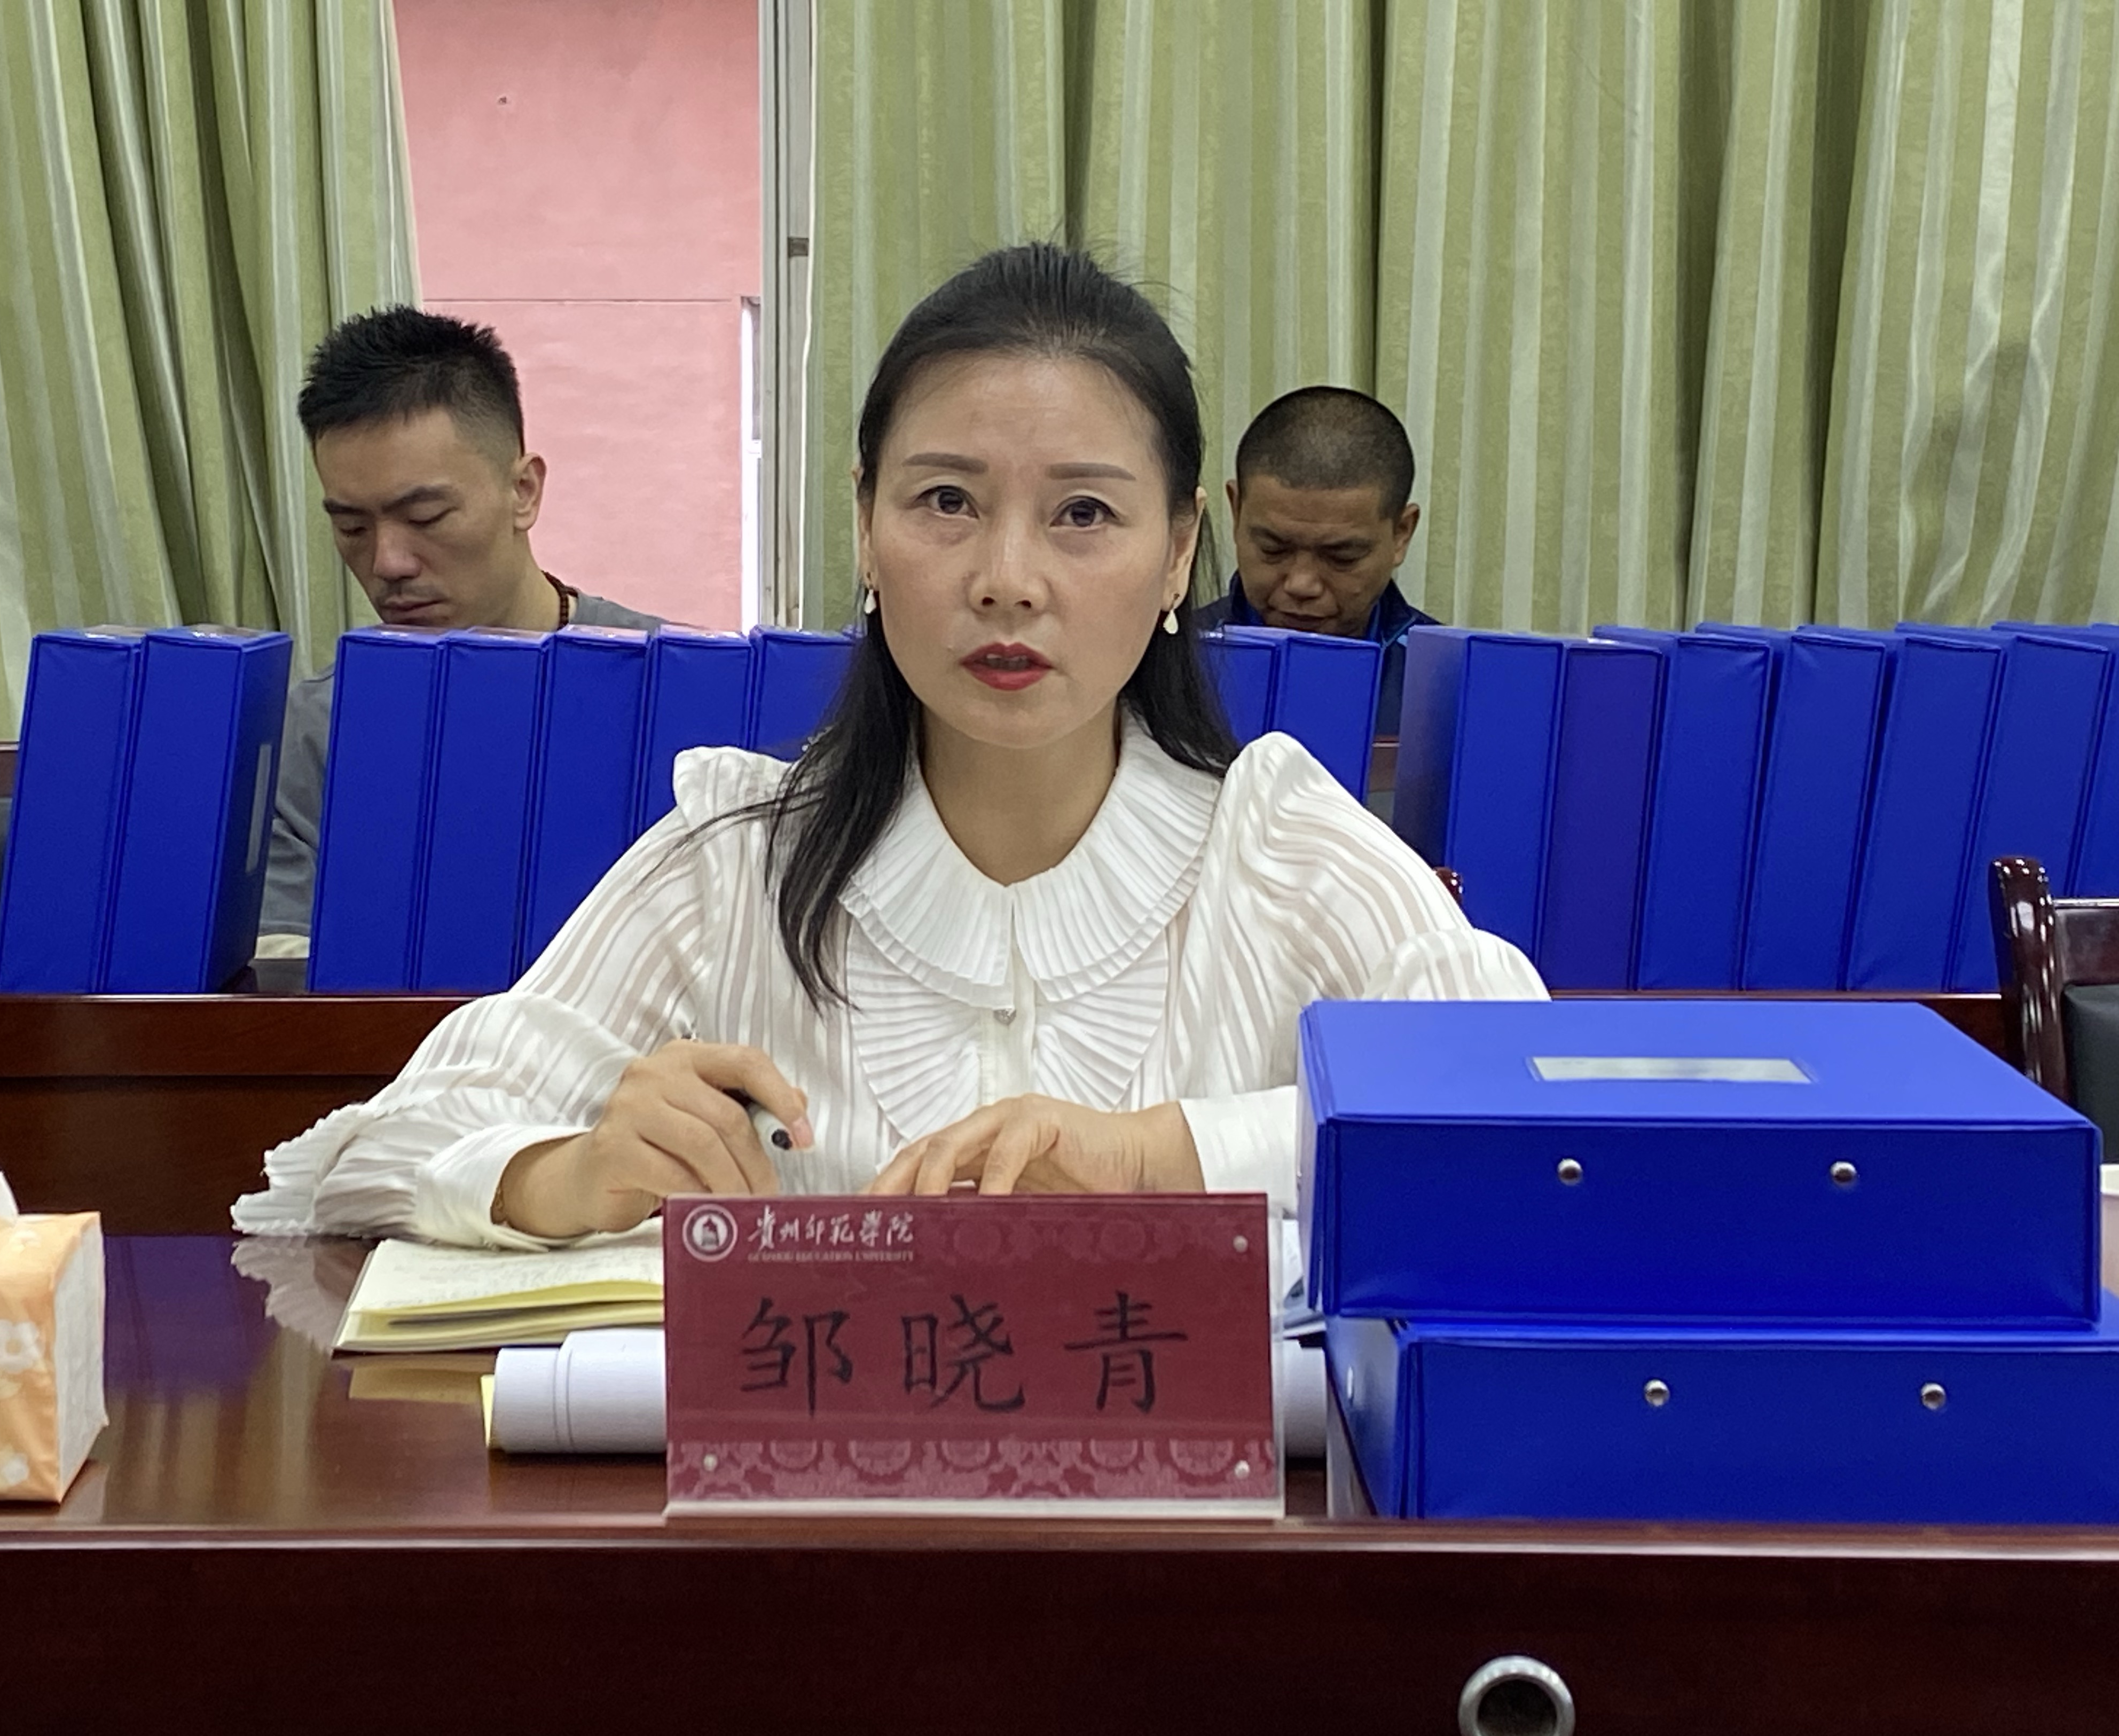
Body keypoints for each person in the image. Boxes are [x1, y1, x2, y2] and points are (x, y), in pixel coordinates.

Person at [233, 245, 1542, 1289]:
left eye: (1084, 513)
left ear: (1177, 549)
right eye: (945, 502)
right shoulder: (738, 856)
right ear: (865, 526)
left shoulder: (1280, 847)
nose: (1006, 579)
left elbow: (1527, 1120)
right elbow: (366, 1156)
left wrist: (1158, 1151)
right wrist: (566, 1172)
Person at [257, 307, 661, 945]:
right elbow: (286, 974)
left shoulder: (671, 692)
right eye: (352, 527)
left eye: (426, 517)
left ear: (523, 492)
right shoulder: (309, 736)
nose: (387, 562)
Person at [1196, 386, 1435, 734]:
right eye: (1273, 549)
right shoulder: (1163, 665)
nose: (1301, 585)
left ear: (1401, 534)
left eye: (1341, 557)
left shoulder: (1450, 683)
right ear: (1236, 512)